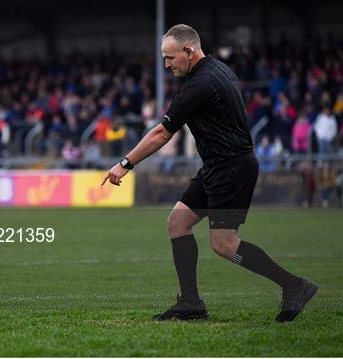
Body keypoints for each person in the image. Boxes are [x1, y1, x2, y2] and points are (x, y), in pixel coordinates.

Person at [102, 24, 317, 322]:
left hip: (231, 167)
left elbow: (162, 134)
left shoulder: (200, 85)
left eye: (170, 57)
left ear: (189, 51)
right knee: (178, 222)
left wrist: (124, 164)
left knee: (224, 244)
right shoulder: (219, 70)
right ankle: (191, 304)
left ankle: (295, 286)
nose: (166, 65)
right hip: (219, 164)